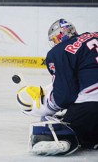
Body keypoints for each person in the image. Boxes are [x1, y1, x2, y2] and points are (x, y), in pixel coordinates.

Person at [16, 19, 98, 155]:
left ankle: (76, 138)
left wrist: (42, 106)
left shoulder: (60, 50)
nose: (54, 43)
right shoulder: (94, 35)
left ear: (59, 35)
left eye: (54, 39)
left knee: (52, 129)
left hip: (92, 107)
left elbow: (65, 96)